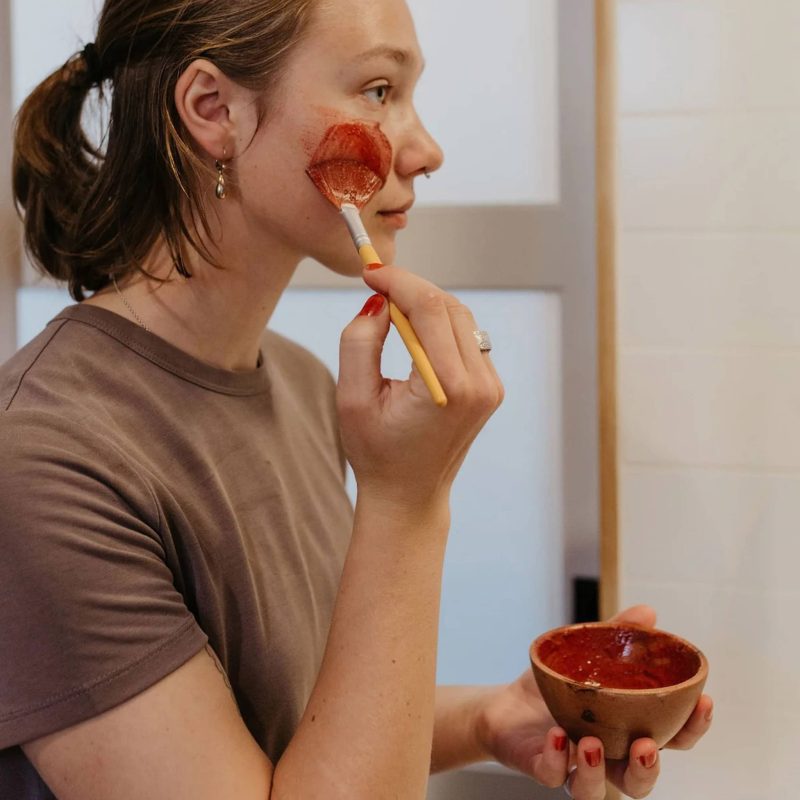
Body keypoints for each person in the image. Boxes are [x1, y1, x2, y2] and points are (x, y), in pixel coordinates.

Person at [0, 0, 713, 798]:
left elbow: (289, 734)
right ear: (214, 110)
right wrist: (408, 502)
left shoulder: (302, 386)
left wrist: (485, 719)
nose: (428, 149)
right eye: (378, 90)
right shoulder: (44, 459)